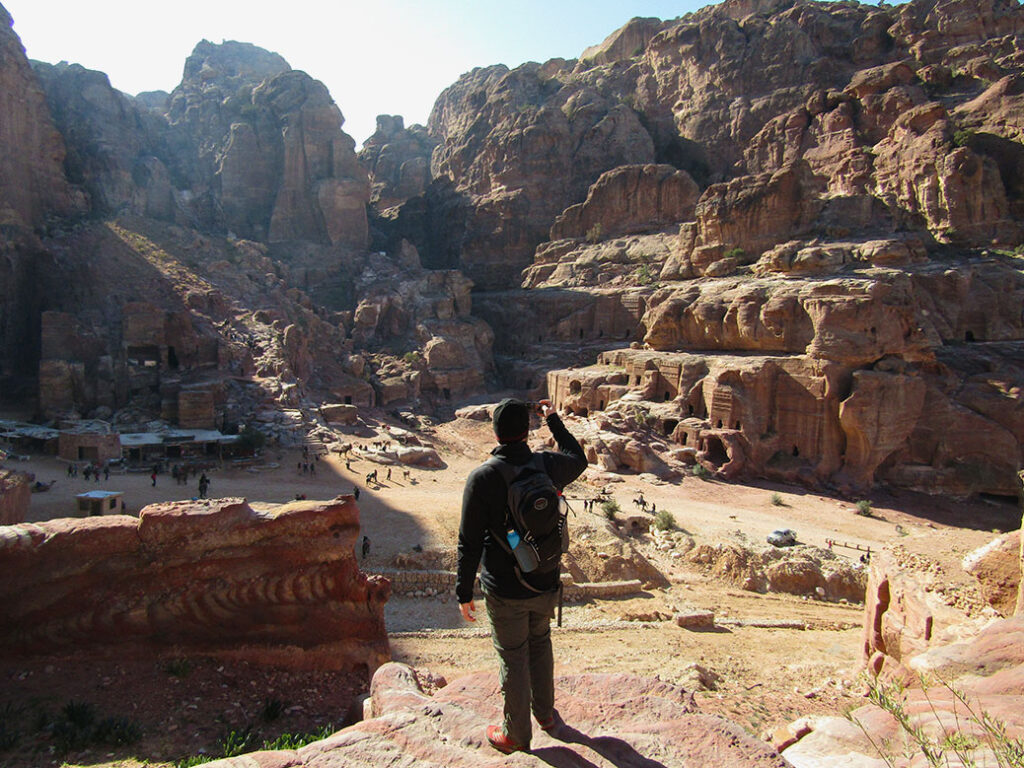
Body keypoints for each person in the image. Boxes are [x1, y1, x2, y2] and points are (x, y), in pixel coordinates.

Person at [457, 398, 587, 754]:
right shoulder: (546, 464)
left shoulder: (483, 477)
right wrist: (554, 421)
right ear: (527, 430)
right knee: (540, 643)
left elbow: (468, 542)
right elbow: (579, 458)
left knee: (513, 656)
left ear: (496, 432)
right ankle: (546, 717)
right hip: (545, 578)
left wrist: (463, 591)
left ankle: (515, 735)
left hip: (504, 587)